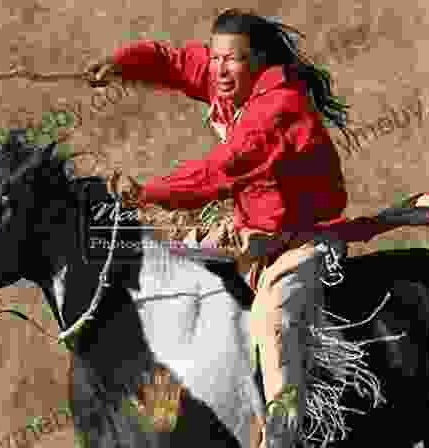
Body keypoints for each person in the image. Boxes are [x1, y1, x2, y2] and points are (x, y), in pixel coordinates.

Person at [85, 8, 358, 448]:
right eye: (216, 58)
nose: (219, 69)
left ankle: (283, 434)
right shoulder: (229, 79)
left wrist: (147, 192)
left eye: (232, 60)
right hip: (251, 228)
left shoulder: (278, 110)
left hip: (300, 238)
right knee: (168, 263)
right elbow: (175, 62)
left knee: (273, 319)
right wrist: (122, 64)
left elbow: (219, 172)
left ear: (258, 61)